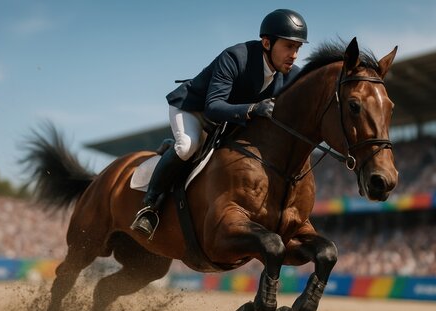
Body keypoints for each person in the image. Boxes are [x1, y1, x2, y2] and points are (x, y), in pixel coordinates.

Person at [131, 9, 308, 237]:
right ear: (267, 42)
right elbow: (214, 106)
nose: (294, 55)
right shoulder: (236, 57)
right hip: (194, 109)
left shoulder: (290, 74)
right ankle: (150, 205)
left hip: (227, 121)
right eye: (288, 46)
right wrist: (253, 109)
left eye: (297, 48)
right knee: (187, 146)